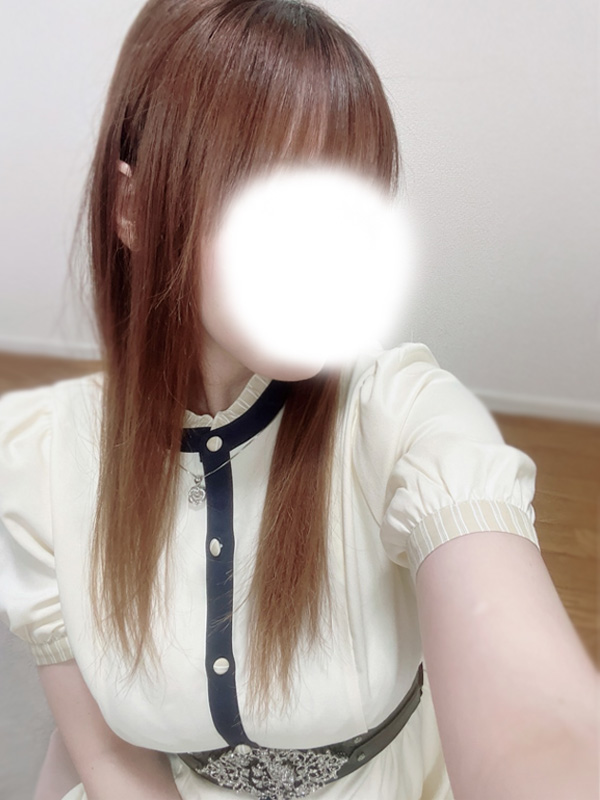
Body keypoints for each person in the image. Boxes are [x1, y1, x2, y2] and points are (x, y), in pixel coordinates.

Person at [0, 2, 597, 799]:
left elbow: (541, 732)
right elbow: (109, 755)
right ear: (133, 207)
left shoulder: (403, 417)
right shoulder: (37, 461)